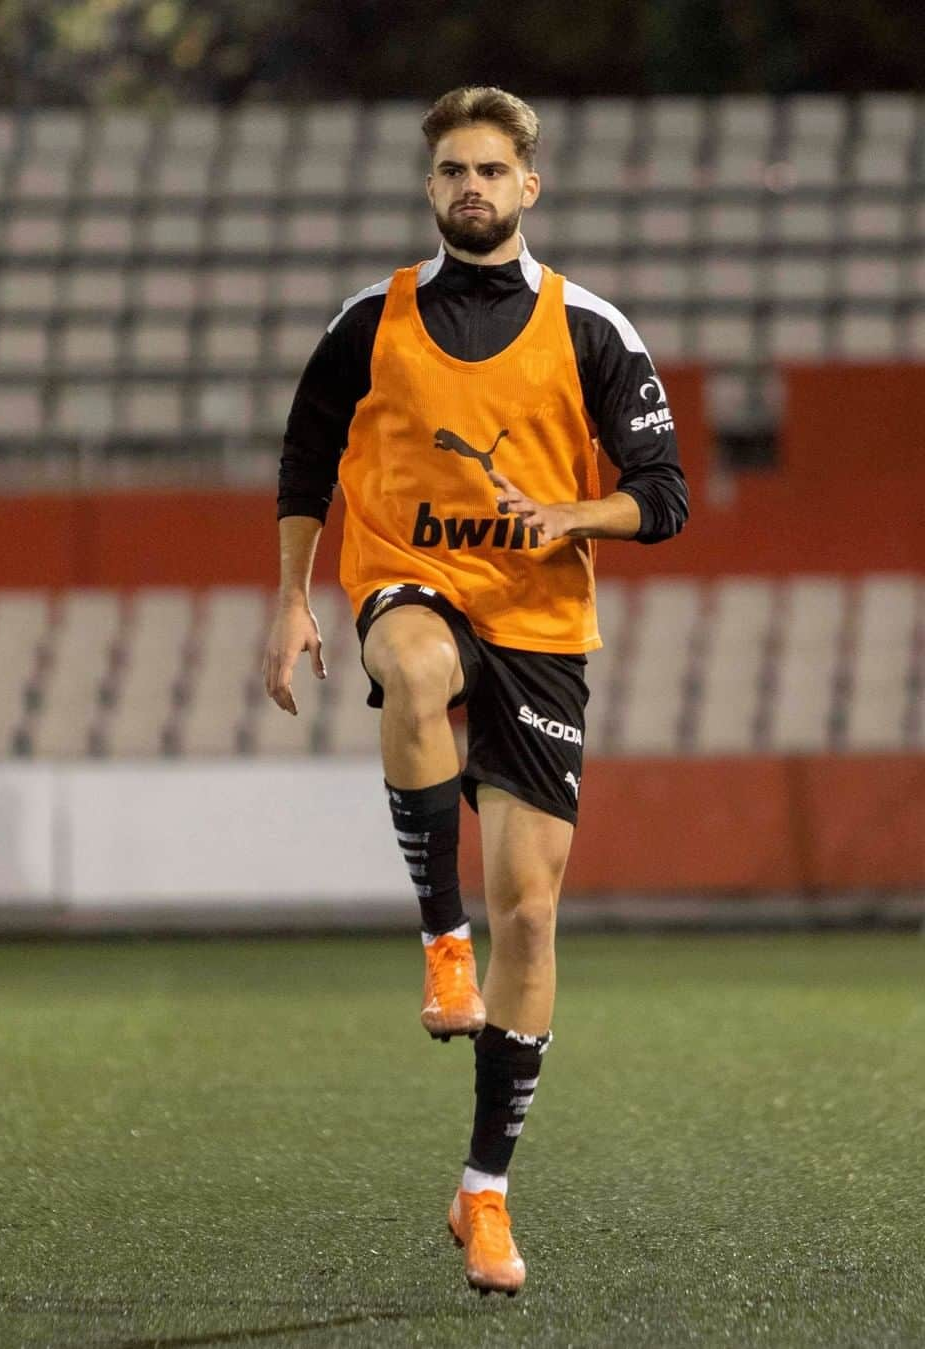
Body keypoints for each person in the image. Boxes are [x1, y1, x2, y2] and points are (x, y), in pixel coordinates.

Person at [263, 86, 688, 1296]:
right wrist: (294, 599)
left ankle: (485, 1193)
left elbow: (665, 493)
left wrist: (576, 510)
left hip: (545, 625)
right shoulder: (371, 321)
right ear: (430, 184)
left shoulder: (591, 328)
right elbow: (305, 453)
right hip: (411, 581)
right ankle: (441, 936)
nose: (471, 187)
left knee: (538, 914)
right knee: (413, 668)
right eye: (452, 168)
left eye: (492, 170)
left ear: (528, 186)